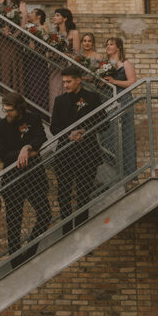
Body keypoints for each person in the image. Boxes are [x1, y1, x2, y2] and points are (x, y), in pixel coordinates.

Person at [0, 92, 51, 266]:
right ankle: (15, 261)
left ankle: (29, 252)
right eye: (5, 110)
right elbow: (4, 155)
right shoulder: (0, 126)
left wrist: (27, 147)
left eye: (10, 110)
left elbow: (41, 137)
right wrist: (24, 153)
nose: (7, 113)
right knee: (13, 222)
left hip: (34, 177)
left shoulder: (33, 119)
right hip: (12, 180)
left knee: (45, 214)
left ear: (19, 109)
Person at [50, 66, 104, 232]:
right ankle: (66, 229)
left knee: (83, 193)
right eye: (64, 81)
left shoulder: (93, 98)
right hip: (65, 154)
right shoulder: (59, 101)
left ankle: (80, 228)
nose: (65, 85)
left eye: (68, 81)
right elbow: (54, 128)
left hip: (87, 153)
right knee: (63, 194)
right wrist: (68, 135)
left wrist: (85, 132)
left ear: (78, 80)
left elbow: (103, 123)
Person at [102, 36, 138, 179]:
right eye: (106, 44)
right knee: (108, 134)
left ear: (118, 47)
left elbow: (132, 82)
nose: (108, 47)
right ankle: (112, 167)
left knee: (124, 134)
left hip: (123, 99)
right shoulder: (105, 64)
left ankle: (128, 173)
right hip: (107, 99)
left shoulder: (125, 63)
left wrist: (114, 81)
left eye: (111, 44)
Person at [0, 0, 28, 94]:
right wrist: (1, 30)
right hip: (0, 41)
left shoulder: (21, 5)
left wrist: (13, 35)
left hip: (13, 42)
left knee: (12, 68)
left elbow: (23, 25)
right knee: (0, 68)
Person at [49, 7, 81, 110]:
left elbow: (76, 54)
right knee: (54, 94)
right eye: (55, 15)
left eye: (57, 15)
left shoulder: (74, 33)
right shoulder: (53, 34)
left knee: (68, 95)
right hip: (55, 67)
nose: (55, 17)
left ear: (65, 18)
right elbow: (49, 51)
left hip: (68, 67)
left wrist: (63, 54)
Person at [26, 6, 50, 113]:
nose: (29, 14)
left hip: (39, 60)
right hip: (28, 59)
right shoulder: (27, 27)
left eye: (32, 12)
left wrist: (36, 47)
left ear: (38, 16)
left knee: (39, 86)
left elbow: (46, 45)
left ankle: (41, 112)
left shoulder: (43, 27)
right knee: (30, 86)